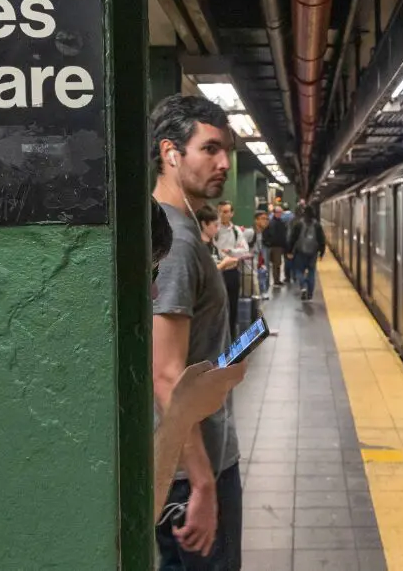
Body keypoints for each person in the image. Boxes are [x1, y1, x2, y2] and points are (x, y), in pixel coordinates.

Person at [150, 94, 244, 571]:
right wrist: (204, 482)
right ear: (171, 153)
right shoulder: (179, 243)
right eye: (210, 149)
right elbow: (165, 375)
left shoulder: (173, 230)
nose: (224, 162)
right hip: (194, 470)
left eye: (225, 150)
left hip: (189, 461)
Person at [212, 201, 249, 335]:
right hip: (217, 271)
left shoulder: (236, 231)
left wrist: (231, 252)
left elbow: (244, 250)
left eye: (227, 211)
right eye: (222, 211)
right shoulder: (214, 229)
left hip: (232, 271)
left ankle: (231, 332)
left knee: (233, 304)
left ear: (232, 213)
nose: (225, 214)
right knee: (217, 305)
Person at [287, 205, 327, 301]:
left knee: (299, 271)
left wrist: (289, 251)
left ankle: (303, 286)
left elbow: (292, 238)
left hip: (300, 252)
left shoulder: (299, 224)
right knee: (311, 272)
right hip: (313, 253)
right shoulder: (317, 225)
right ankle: (310, 294)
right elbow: (322, 240)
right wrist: (322, 253)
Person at [244, 210, 271, 300]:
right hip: (248, 268)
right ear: (256, 220)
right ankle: (257, 314)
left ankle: (257, 314)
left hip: (255, 266)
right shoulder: (250, 232)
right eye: (263, 219)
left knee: (256, 298)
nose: (266, 221)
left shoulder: (260, 233)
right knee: (255, 296)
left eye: (267, 219)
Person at [262, 204, 289, 288]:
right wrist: (267, 242)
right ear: (274, 213)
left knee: (276, 264)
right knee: (271, 264)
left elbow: (283, 235)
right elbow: (265, 233)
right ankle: (270, 281)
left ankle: (276, 280)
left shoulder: (281, 222)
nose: (280, 214)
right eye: (278, 212)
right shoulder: (270, 222)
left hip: (278, 246)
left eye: (281, 212)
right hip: (272, 246)